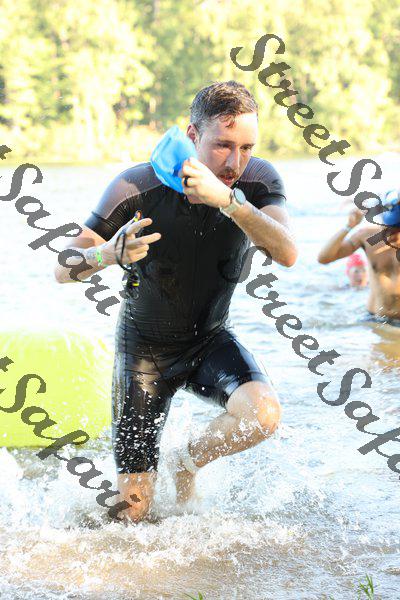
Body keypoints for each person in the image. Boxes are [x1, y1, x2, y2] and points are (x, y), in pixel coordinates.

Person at [54, 80, 298, 523]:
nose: (235, 162)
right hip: (143, 355)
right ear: (192, 135)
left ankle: (184, 461)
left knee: (263, 415)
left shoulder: (257, 181)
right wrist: (107, 254)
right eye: (223, 146)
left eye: (246, 147)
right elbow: (63, 267)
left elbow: (287, 252)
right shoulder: (137, 185)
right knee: (133, 516)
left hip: (210, 340)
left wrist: (230, 202)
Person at [318, 199, 400, 320]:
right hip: (375, 319)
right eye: (390, 229)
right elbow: (324, 258)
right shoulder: (368, 236)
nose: (393, 235)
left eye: (398, 230)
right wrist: (349, 226)